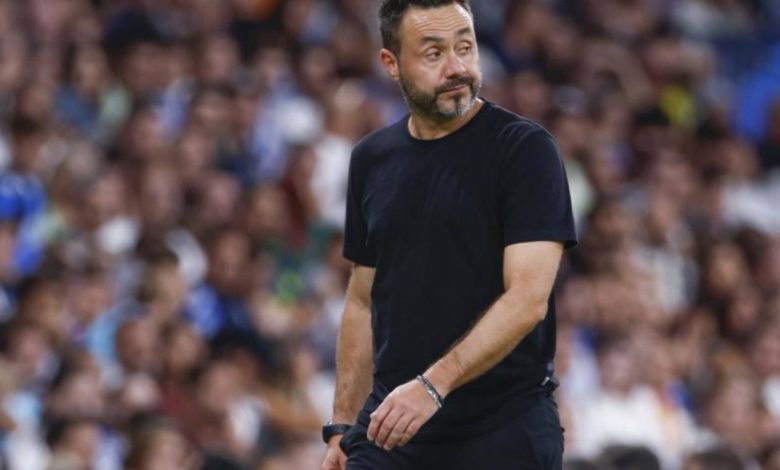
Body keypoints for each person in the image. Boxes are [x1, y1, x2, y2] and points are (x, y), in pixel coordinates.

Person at [320, 1, 577, 469]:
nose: (457, 67)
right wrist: (342, 423)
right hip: (393, 426)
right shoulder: (371, 159)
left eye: (465, 47)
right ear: (391, 63)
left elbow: (528, 299)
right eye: (434, 53)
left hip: (502, 425)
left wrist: (432, 386)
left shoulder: (524, 150)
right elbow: (361, 300)